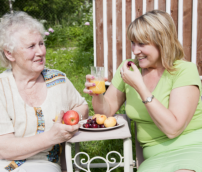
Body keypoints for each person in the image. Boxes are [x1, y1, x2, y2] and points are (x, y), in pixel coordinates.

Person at [84, 10, 202, 172]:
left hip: (193, 149)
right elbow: (106, 111)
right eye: (133, 43)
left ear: (162, 42)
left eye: (142, 44)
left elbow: (173, 129)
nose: (135, 50)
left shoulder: (184, 70)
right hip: (154, 158)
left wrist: (140, 87)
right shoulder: (128, 68)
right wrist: (97, 94)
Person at [0, 11, 88, 172]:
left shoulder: (58, 80)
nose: (40, 52)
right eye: (31, 46)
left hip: (43, 165)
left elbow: (82, 107)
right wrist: (52, 137)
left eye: (41, 43)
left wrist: (70, 120)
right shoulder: (1, 88)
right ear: (9, 53)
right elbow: (4, 148)